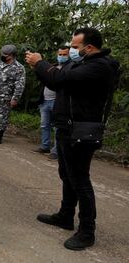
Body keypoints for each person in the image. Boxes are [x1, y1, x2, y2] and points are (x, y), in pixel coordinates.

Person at [25, 28, 120, 250]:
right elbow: (56, 83)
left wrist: (40, 63)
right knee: (66, 175)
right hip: (67, 128)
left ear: (89, 47)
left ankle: (87, 231)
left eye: (75, 47)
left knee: (80, 180)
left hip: (82, 131)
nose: (71, 50)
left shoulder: (100, 66)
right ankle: (66, 216)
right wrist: (38, 68)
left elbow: (59, 77)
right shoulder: (81, 64)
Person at [33, 46, 70, 160]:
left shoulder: (68, 69)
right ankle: (45, 146)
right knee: (44, 125)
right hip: (45, 101)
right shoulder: (53, 67)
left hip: (57, 102)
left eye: (65, 54)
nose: (62, 56)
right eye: (60, 54)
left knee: (57, 127)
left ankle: (56, 151)